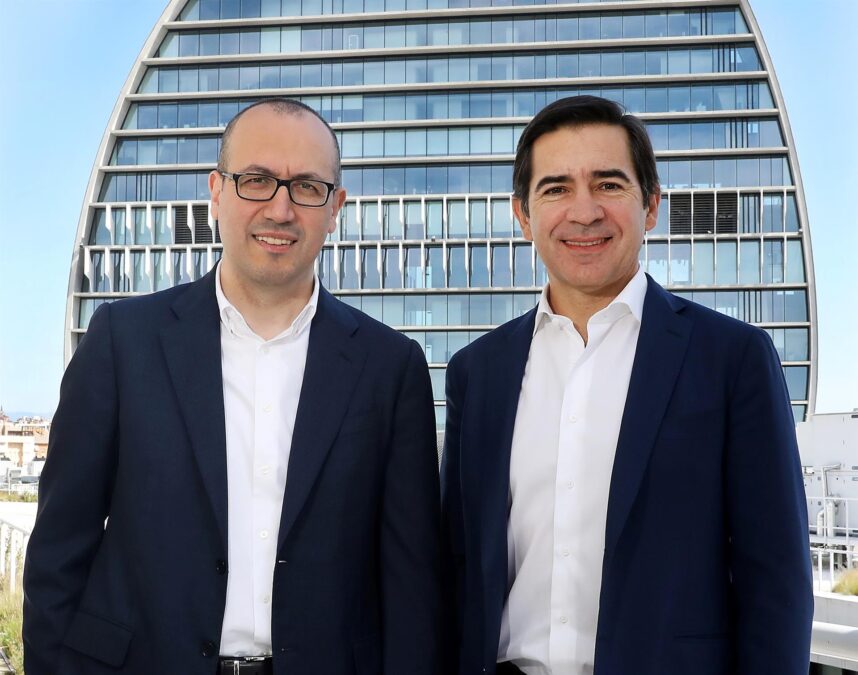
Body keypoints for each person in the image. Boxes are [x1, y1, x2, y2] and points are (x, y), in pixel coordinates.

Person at [24, 98, 442, 675]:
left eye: (307, 188)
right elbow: (58, 548)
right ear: (217, 192)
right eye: (257, 181)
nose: (281, 208)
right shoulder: (123, 341)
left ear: (335, 208)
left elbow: (410, 579)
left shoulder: (391, 366)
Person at [440, 95, 812, 675]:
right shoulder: (477, 371)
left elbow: (777, 579)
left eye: (609, 185)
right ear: (522, 215)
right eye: (556, 188)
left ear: (651, 205)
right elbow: (459, 564)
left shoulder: (733, 359)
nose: (583, 212)